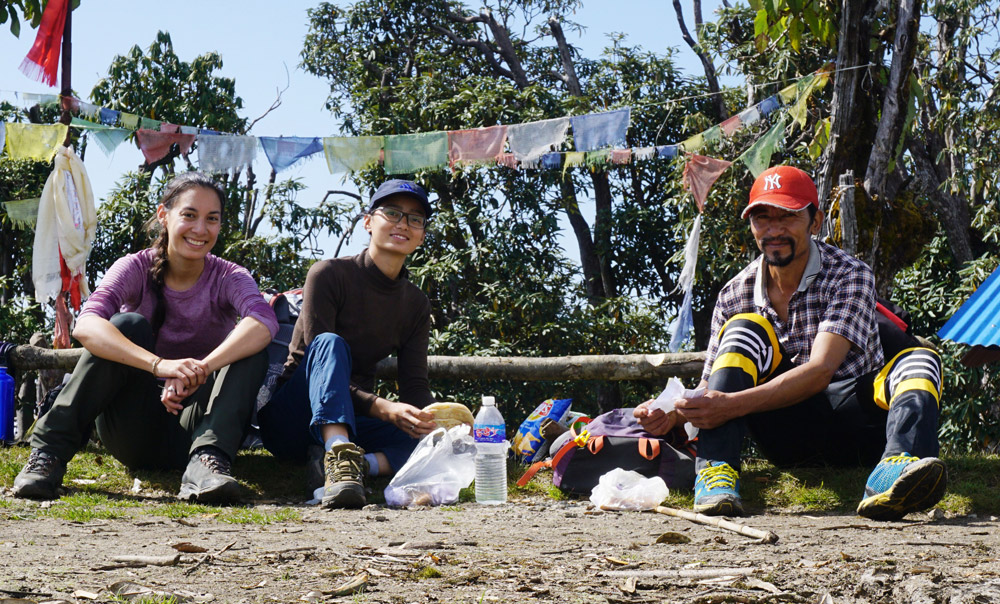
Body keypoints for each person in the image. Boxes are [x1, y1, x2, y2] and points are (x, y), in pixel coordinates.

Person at [634, 165, 946, 521]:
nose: (774, 230)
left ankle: (896, 469)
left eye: (788, 217)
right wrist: (674, 412)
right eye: (763, 218)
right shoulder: (734, 293)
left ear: (815, 223)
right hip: (785, 435)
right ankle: (716, 474)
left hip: (857, 424)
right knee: (744, 328)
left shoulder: (849, 274)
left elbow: (820, 371)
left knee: (920, 359)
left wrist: (731, 404)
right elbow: (711, 388)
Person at [13, 172, 278, 503]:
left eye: (212, 219)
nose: (200, 229)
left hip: (200, 428)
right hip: (131, 429)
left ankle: (208, 464)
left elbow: (263, 320)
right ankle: (47, 456)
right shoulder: (134, 267)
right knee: (126, 324)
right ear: (164, 215)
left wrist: (199, 370)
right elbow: (87, 325)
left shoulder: (229, 276)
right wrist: (160, 366)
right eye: (190, 215)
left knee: (251, 348)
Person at [258, 178, 437, 509]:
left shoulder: (415, 303)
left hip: (356, 421)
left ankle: (355, 465)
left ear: (422, 234)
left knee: (431, 444)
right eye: (393, 213)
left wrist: (435, 423)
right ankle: (338, 454)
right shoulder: (328, 274)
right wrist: (383, 407)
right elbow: (319, 358)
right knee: (329, 343)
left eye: (415, 219)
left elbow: (414, 385)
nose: (403, 224)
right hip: (292, 418)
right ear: (368, 222)